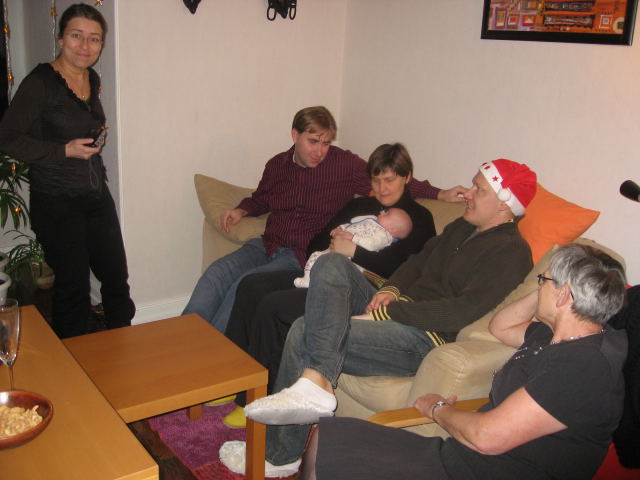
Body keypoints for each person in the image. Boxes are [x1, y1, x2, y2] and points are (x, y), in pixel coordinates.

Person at [220, 158, 538, 477]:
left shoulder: (510, 252)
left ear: (504, 203)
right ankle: (316, 383)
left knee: (305, 330)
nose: (467, 193)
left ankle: (280, 456)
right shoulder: (462, 227)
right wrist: (392, 290)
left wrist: (390, 312)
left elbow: (460, 312)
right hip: (398, 307)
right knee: (332, 264)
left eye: (478, 189)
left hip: (423, 335)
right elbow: (418, 261)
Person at [297, 244, 628, 480]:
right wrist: (547, 291)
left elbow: (487, 437)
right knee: (328, 438)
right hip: (464, 459)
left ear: (563, 295)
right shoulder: (551, 336)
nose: (539, 285)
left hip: (486, 470)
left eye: (543, 281)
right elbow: (501, 327)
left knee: (332, 455)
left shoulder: (586, 366)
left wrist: (437, 408)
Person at [182, 106, 466, 332]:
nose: (319, 150)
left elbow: (388, 178)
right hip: (266, 244)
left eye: (326, 143)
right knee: (217, 273)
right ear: (295, 135)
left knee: (244, 284)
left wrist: (439, 193)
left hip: (297, 255)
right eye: (313, 141)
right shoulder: (277, 165)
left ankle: (213, 360)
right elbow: (263, 197)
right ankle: (179, 344)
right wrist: (243, 209)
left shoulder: (344, 165)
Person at [222, 143, 438, 428]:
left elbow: (407, 269)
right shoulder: (360, 206)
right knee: (251, 285)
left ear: (407, 177)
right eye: (376, 180)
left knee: (273, 306)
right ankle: (232, 377)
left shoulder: (418, 218)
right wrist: (333, 242)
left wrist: (354, 252)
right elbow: (317, 239)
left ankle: (255, 397)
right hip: (320, 269)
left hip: (361, 289)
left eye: (389, 180)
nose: (382, 188)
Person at [0, 3, 135, 338]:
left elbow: (74, 126)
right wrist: (64, 150)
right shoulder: (40, 82)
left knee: (116, 277)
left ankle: (124, 345)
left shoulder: (92, 77)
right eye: (77, 35)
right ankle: (71, 357)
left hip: (95, 194)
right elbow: (7, 137)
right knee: (73, 288)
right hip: (56, 200)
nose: (85, 46)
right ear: (61, 38)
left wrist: (92, 140)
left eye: (94, 38)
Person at [294, 207, 413, 288]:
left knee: (332, 268)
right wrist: (340, 228)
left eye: (386, 214)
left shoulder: (384, 236)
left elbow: (371, 245)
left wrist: (352, 239)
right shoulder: (371, 219)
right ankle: (308, 278)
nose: (382, 212)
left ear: (393, 229)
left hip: (350, 261)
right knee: (315, 255)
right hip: (333, 248)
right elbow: (352, 223)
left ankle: (319, 281)